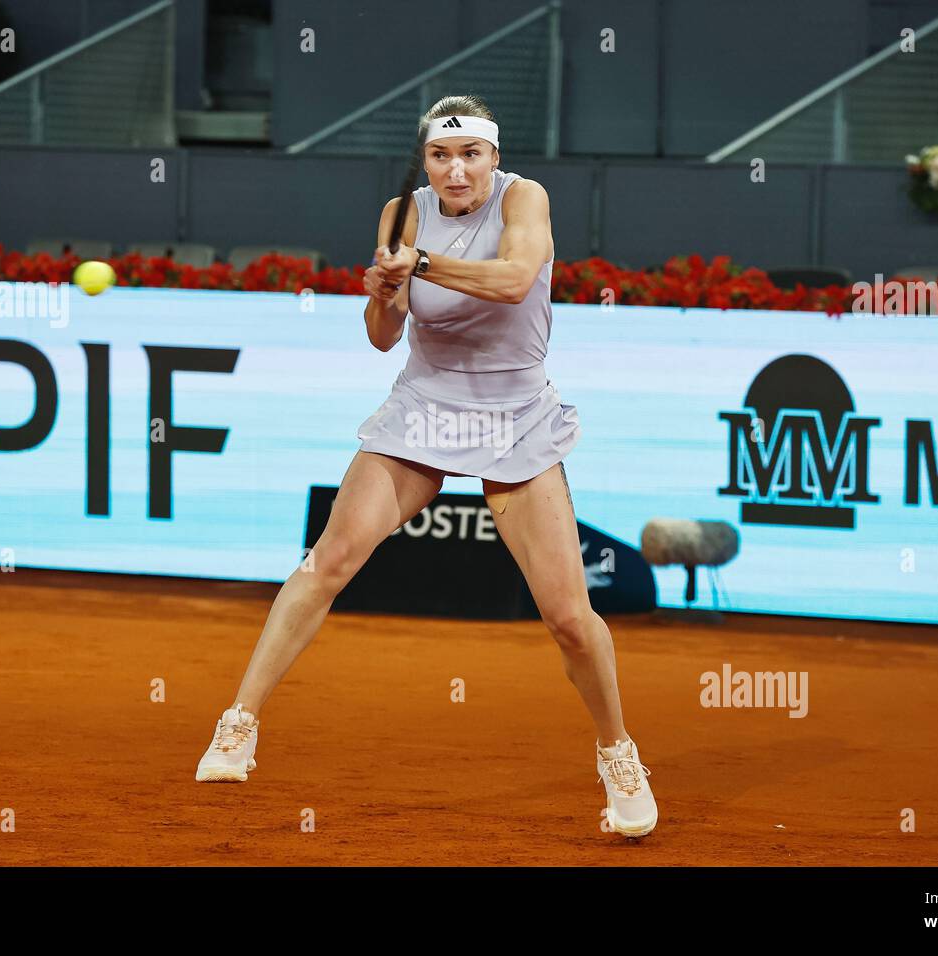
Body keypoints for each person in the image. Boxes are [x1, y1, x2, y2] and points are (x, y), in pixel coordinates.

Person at [195, 93, 660, 840]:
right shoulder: (400, 213)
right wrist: (383, 294)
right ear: (427, 162)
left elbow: (513, 280)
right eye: (441, 156)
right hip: (424, 407)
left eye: (470, 154)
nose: (456, 169)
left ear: (493, 157)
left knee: (570, 619)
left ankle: (618, 753)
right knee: (327, 562)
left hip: (515, 416)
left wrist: (425, 263)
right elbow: (384, 335)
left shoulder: (525, 199)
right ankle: (238, 723)